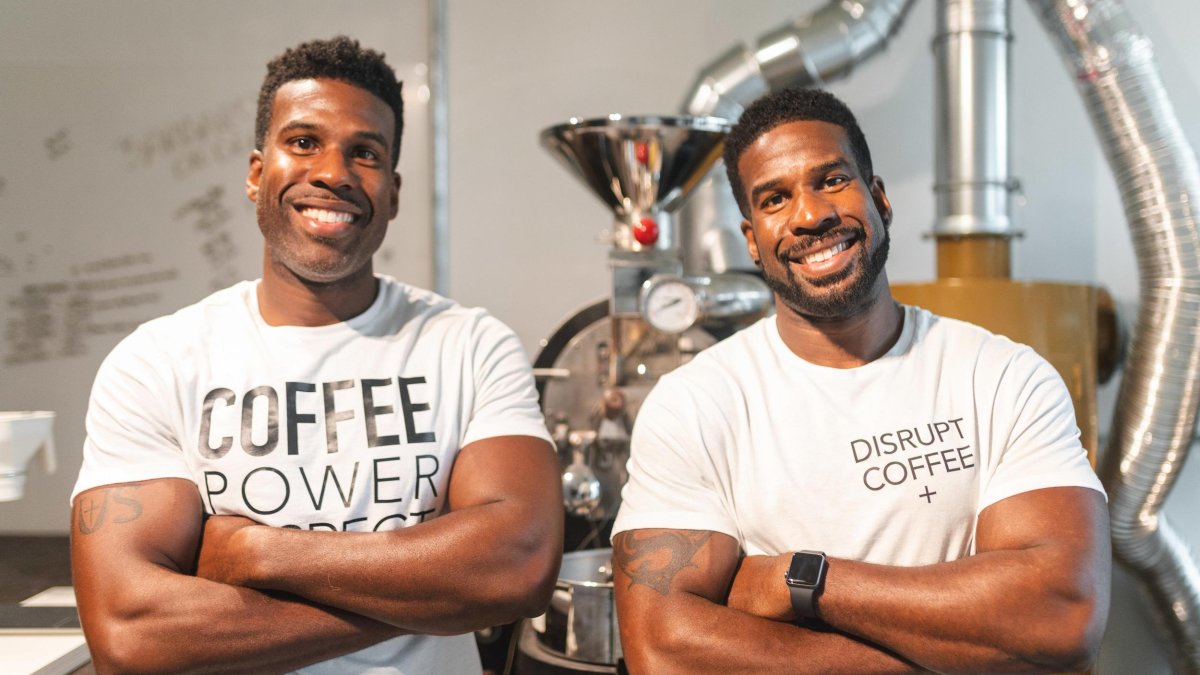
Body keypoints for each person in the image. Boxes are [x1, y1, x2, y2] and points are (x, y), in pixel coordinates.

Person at [70, 36, 562, 674]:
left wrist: (256, 553)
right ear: (255, 173)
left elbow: (516, 565)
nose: (333, 172)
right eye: (303, 142)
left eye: (365, 152)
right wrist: (442, 596)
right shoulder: (159, 362)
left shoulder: (467, 344)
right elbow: (130, 631)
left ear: (393, 192)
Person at [610, 87, 1110, 673]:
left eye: (831, 180)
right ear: (752, 241)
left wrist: (800, 579)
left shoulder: (1002, 377)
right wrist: (950, 655)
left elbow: (1061, 614)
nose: (810, 216)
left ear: (879, 200)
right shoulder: (694, 404)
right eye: (775, 199)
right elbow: (663, 650)